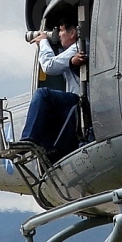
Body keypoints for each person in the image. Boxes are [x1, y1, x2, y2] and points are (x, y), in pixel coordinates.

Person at [19, 19, 87, 160]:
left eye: (62, 31)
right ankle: (52, 150)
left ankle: (28, 139)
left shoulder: (80, 46)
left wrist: (44, 42)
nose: (59, 34)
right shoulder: (74, 49)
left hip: (81, 100)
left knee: (43, 95)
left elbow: (49, 66)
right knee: (50, 113)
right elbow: (61, 60)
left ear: (73, 32)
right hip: (78, 102)